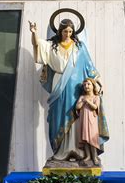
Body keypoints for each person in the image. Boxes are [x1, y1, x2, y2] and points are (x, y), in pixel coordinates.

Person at [29, 18, 108, 162]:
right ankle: (61, 151)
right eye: (65, 31)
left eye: (71, 31)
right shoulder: (52, 46)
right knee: (59, 116)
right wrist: (34, 32)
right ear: (60, 31)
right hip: (59, 85)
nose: (68, 34)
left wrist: (99, 81)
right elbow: (37, 44)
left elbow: (89, 66)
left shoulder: (79, 47)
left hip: (77, 87)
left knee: (77, 116)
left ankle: (78, 150)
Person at [76, 78, 104, 166]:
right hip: (84, 120)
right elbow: (77, 107)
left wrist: (88, 101)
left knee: (92, 138)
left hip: (92, 120)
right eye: (84, 85)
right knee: (85, 138)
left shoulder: (96, 97)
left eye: (88, 84)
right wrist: (83, 102)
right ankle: (88, 156)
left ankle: (94, 156)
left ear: (93, 86)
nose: (86, 86)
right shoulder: (82, 97)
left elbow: (95, 107)